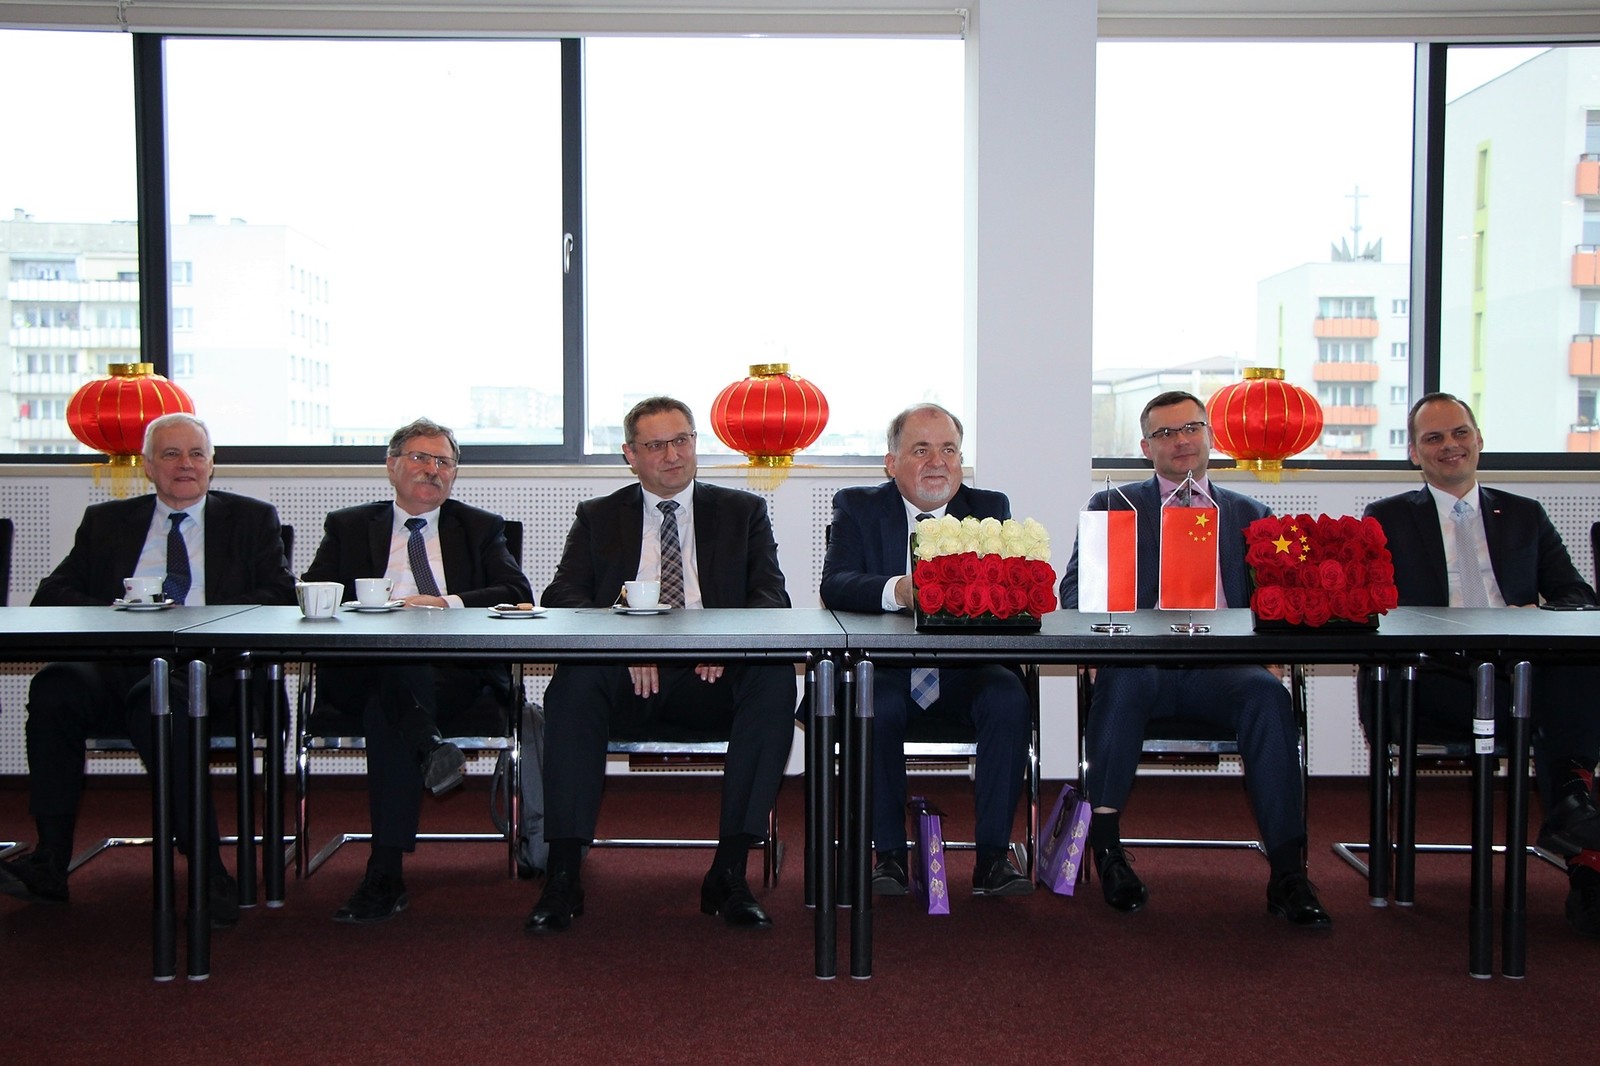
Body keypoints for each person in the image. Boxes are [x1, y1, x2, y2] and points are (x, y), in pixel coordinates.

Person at [0, 412, 296, 926]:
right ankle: (49, 860)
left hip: (210, 670)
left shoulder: (251, 519)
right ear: (148, 466)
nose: (186, 465)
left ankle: (207, 870)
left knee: (158, 701)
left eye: (196, 454)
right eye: (171, 454)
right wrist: (121, 610)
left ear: (212, 464)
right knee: (54, 686)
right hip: (118, 661)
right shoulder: (107, 522)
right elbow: (51, 594)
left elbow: (278, 596)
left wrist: (199, 620)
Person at [1058, 390, 1331, 929]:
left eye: (1190, 428)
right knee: (1122, 680)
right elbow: (1075, 590)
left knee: (1268, 696)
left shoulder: (1250, 514)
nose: (1180, 440)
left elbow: (1281, 598)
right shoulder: (1114, 505)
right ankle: (1108, 850)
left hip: (1223, 670)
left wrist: (1275, 653)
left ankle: (1288, 871)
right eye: (1165, 433)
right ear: (1146, 448)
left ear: (1209, 436)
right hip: (1143, 664)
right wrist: (1098, 638)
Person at [526, 396, 794, 934]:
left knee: (772, 677)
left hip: (710, 679)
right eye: (656, 445)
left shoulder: (742, 512)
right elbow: (561, 597)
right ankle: (563, 873)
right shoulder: (599, 516)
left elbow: (771, 597)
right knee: (574, 681)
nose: (672, 455)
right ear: (630, 455)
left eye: (681, 441)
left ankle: (729, 871)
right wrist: (627, 642)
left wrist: (721, 643)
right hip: (626, 681)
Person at [1365, 392, 1600, 938]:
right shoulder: (1387, 518)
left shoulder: (1523, 514)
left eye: (1460, 433)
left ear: (1479, 440)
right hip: (1438, 675)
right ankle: (1578, 826)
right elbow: (1375, 607)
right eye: (1433, 438)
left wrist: (1536, 614)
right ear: (1414, 454)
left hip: (1522, 668)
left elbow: (1578, 596)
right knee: (1556, 707)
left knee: (1584, 668)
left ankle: (1576, 821)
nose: (1450, 445)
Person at [302, 417, 531, 924]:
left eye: (443, 462)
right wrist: (369, 611)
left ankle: (385, 872)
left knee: (392, 703)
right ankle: (428, 747)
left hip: (449, 673)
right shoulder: (347, 526)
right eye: (420, 458)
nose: (432, 469)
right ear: (392, 466)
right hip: (359, 668)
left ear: (454, 474)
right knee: (392, 673)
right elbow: (313, 595)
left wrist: (445, 602)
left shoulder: (480, 527)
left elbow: (517, 593)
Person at [819, 403, 1033, 897]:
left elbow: (1006, 589)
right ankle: (889, 857)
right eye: (921, 450)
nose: (938, 462)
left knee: (1008, 697)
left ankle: (993, 859)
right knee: (872, 701)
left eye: (949, 450)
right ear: (891, 462)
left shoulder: (989, 507)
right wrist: (899, 590)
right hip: (888, 669)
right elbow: (836, 584)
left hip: (965, 668)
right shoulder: (857, 506)